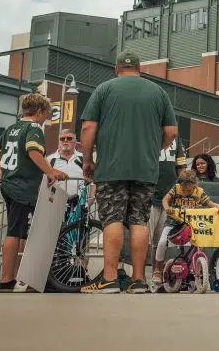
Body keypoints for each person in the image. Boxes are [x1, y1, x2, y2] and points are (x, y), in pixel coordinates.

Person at [79, 50, 179, 294]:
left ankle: (110, 278)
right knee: (139, 219)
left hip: (111, 167)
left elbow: (88, 126)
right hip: (145, 168)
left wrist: (87, 160)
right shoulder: (158, 92)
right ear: (139, 68)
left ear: (116, 69)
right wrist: (155, 148)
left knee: (112, 218)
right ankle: (138, 280)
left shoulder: (104, 89)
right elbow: (172, 131)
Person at [0, 93, 69, 292]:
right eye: (46, 114)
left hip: (9, 184)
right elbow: (33, 151)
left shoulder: (12, 128)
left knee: (23, 231)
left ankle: (21, 277)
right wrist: (51, 171)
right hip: (23, 187)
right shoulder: (33, 128)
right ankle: (7, 279)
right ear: (39, 112)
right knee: (16, 232)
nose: (46, 118)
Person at [156, 170, 219, 270]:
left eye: (188, 191)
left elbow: (210, 204)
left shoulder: (199, 192)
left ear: (195, 185)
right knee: (162, 242)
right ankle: (157, 269)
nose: (185, 192)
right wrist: (167, 208)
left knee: (199, 243)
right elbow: (165, 199)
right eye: (183, 190)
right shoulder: (176, 188)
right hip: (174, 221)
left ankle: (195, 269)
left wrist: (218, 208)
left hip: (192, 222)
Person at [150, 135, 187, 285]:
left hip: (170, 197)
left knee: (162, 239)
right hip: (148, 195)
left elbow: (182, 168)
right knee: (147, 239)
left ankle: (160, 273)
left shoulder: (176, 139)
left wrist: (184, 190)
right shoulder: (147, 134)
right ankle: (143, 276)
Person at [46, 127, 85, 204]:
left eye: (69, 138)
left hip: (80, 207)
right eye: (62, 139)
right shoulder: (49, 160)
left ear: (75, 142)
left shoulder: (84, 158)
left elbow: (92, 182)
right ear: (59, 141)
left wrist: (88, 202)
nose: (65, 140)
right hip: (56, 205)